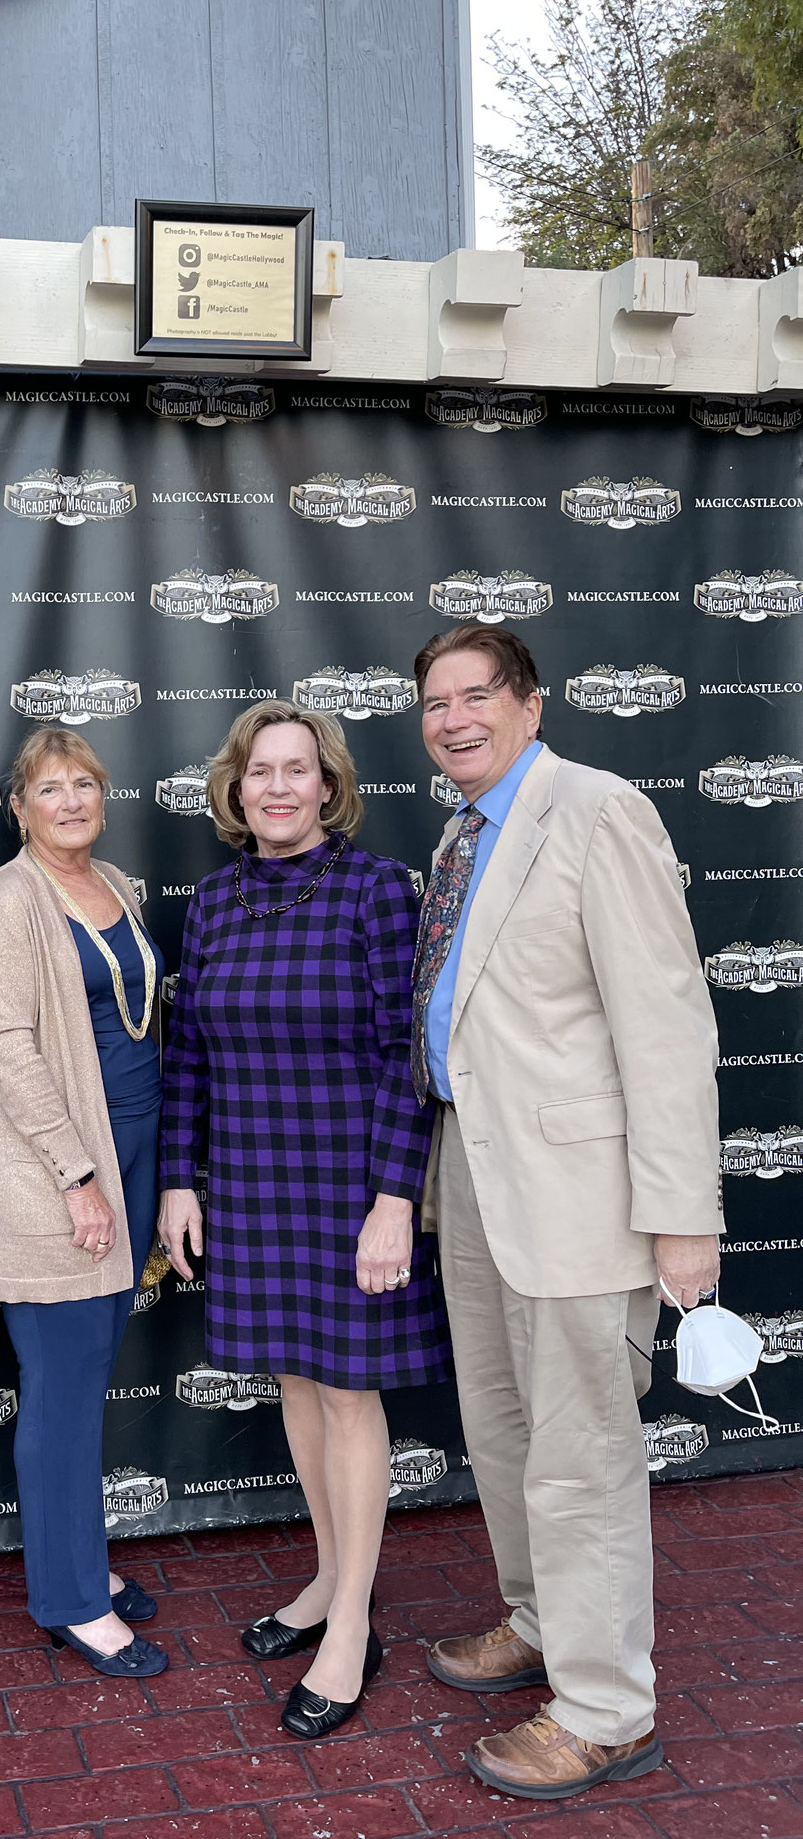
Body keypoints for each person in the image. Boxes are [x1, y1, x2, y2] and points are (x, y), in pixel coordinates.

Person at [411, 622, 721, 1802]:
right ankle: (540, 1620)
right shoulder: (460, 837)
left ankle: (606, 1707)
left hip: (587, 1195)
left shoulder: (597, 811)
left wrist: (682, 1213)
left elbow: (666, 1018)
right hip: (480, 1179)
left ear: (531, 705)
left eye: (475, 694)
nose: (453, 718)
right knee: (503, 1428)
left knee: (583, 1454)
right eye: (434, 701)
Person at [157, 700, 448, 1740]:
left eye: (297, 768)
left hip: (347, 1183)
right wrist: (181, 1179)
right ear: (236, 788)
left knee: (348, 1392)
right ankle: (329, 1578)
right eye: (258, 770)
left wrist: (392, 1198)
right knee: (294, 1377)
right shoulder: (217, 895)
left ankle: (354, 1622)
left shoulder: (377, 891)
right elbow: (187, 1048)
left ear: (330, 785)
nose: (276, 786)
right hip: (249, 1178)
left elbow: (404, 1054)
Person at [0, 728, 169, 1680]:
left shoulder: (119, 886)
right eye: (51, 788)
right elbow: (2, 1048)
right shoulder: (6, 903)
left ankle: (80, 1563)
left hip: (132, 1146)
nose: (72, 800)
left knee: (86, 1379)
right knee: (61, 1388)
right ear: (20, 808)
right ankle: (73, 1602)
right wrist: (77, 1175)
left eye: (85, 783)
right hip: (54, 1171)